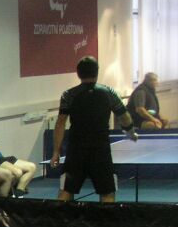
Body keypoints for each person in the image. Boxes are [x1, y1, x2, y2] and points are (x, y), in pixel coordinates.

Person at [49, 56, 138, 203]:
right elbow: (124, 116)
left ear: (78, 73)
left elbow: (60, 123)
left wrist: (56, 152)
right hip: (100, 151)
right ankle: (106, 219)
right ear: (97, 72)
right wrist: (130, 132)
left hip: (76, 151)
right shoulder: (109, 92)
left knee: (66, 191)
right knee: (107, 193)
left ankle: (61, 218)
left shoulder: (68, 95)